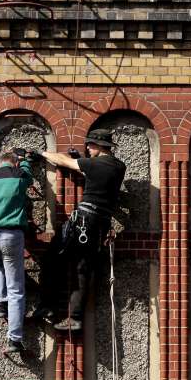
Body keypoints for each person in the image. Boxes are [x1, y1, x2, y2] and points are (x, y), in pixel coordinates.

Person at [36, 129, 127, 331]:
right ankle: (75, 317)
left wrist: (42, 153)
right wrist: (81, 161)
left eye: (90, 144)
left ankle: (46, 307)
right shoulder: (119, 166)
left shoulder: (95, 164)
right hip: (101, 223)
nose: (87, 147)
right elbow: (92, 174)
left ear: (100, 146)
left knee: (51, 258)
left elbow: (62, 161)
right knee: (82, 268)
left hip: (84, 219)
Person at [0, 149, 34, 353]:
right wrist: (27, 161)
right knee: (16, 289)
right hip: (11, 235)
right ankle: (15, 339)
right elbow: (29, 178)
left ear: (0, 162)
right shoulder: (19, 174)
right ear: (15, 163)